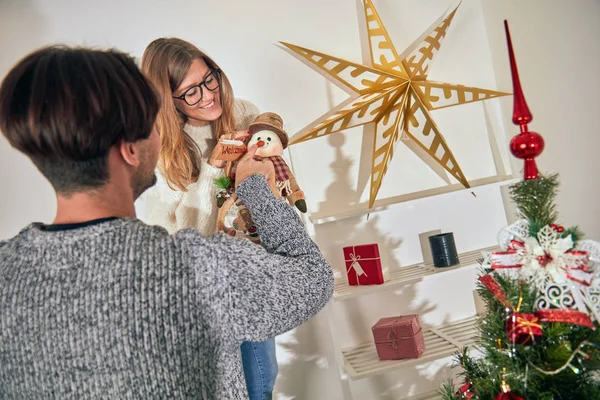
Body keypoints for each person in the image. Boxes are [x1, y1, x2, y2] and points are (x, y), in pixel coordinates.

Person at [0, 45, 333, 399]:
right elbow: (313, 275)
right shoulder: (198, 268)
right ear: (130, 148)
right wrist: (254, 189)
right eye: (151, 124)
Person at [140, 38, 280, 399]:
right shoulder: (162, 150)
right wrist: (214, 166)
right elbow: (192, 236)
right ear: (168, 100)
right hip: (203, 288)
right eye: (190, 92)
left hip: (255, 272)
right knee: (243, 386)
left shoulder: (246, 115)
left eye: (209, 79)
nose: (207, 95)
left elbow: (280, 193)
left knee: (263, 377)